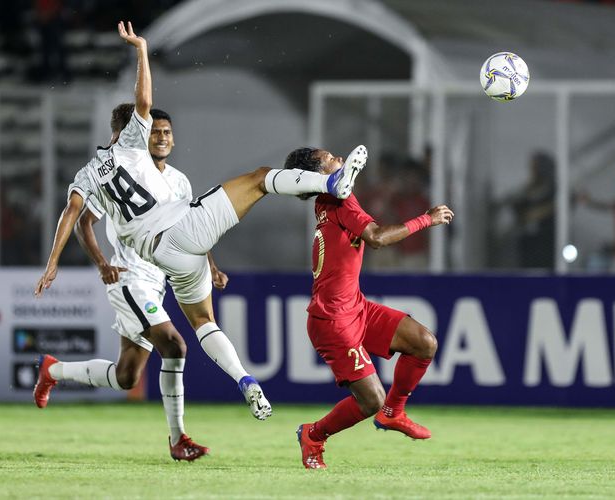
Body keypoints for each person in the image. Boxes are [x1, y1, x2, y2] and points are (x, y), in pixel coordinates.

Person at [33, 22, 366, 430]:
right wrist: (142, 51)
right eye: (151, 128)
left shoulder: (87, 176)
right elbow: (145, 99)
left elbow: (71, 212)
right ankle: (331, 182)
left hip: (168, 257)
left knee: (182, 336)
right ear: (129, 133)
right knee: (261, 178)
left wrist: (52, 263)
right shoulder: (132, 146)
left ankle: (245, 380)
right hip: (168, 244)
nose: (158, 134)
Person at [33, 108, 221, 461]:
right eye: (155, 132)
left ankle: (52, 370)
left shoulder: (179, 181)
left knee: (126, 376)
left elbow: (191, 228)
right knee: (175, 346)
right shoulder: (121, 175)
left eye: (167, 132)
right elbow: (83, 220)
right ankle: (179, 438)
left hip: (157, 280)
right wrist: (102, 263)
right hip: (129, 277)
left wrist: (210, 264)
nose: (161, 137)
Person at [284, 147, 454, 470]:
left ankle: (394, 413)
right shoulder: (336, 200)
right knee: (370, 400)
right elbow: (375, 238)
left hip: (355, 306)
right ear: (319, 176)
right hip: (333, 319)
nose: (338, 158)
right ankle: (313, 435)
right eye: (330, 158)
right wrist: (426, 220)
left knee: (423, 343)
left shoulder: (329, 201)